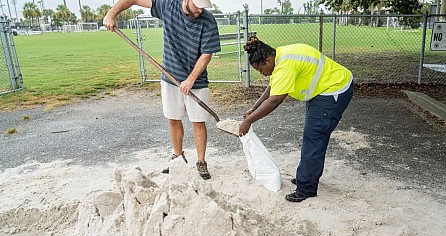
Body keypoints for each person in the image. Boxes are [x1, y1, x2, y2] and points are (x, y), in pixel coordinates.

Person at [103, 0, 220, 180]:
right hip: (170, 76)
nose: (200, 10)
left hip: (196, 80)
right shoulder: (168, 5)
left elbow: (206, 55)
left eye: (203, 6)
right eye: (197, 5)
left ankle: (201, 161)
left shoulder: (207, 20)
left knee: (198, 122)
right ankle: (178, 158)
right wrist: (112, 14)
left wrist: (190, 79)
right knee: (173, 119)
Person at [239, 36, 354, 202]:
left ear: (268, 60)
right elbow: (272, 88)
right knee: (313, 135)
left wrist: (248, 121)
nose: (262, 74)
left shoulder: (285, 65)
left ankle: (306, 187)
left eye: (260, 69)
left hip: (334, 89)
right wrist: (253, 109)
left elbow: (275, 100)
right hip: (322, 90)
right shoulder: (280, 57)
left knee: (314, 136)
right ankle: (307, 177)